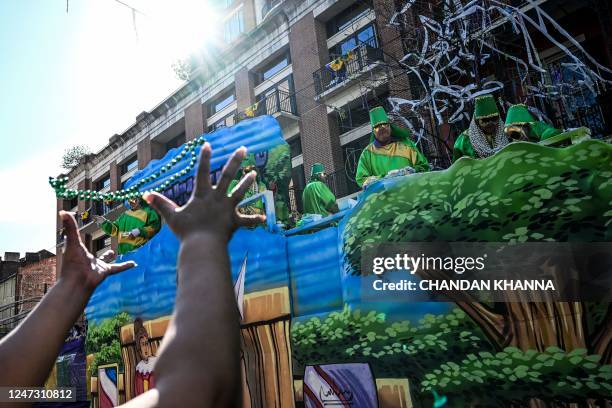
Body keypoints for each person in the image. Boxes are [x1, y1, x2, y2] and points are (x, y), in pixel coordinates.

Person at [0, 144, 263, 407]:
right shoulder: (126, 218)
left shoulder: (147, 213)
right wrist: (203, 238)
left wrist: (71, 287)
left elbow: (8, 386)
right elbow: (204, 382)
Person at [355, 107, 429, 188]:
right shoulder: (367, 153)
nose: (382, 129)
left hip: (411, 191)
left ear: (390, 126)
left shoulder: (406, 144)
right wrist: (379, 180)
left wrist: (411, 171)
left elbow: (423, 166)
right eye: (377, 127)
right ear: (373, 132)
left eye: (385, 125)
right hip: (386, 197)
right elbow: (361, 179)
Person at [94, 197, 161, 255]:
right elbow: (114, 230)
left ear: (140, 198)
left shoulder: (149, 211)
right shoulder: (124, 215)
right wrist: (104, 222)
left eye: (134, 199)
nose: (131, 201)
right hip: (124, 255)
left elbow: (154, 228)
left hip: (142, 251)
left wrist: (139, 231)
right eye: (129, 199)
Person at [453, 94, 509, 162]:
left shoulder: (507, 134)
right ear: (476, 120)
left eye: (494, 118)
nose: (490, 123)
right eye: (485, 120)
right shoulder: (464, 140)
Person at [133, 317, 158, 396]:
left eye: (146, 343)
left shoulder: (155, 362)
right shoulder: (139, 370)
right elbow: (138, 392)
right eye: (143, 345)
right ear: (139, 350)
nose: (146, 348)